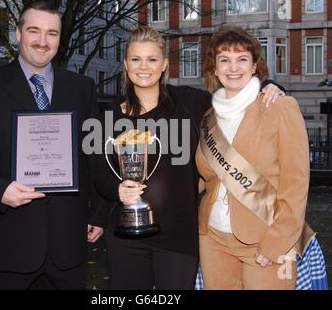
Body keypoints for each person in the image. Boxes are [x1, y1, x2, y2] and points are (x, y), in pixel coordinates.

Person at [91, 25, 285, 289]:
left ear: (164, 65)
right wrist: (117, 189)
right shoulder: (110, 116)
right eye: (136, 59)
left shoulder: (189, 102)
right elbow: (100, 172)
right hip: (125, 236)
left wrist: (269, 86)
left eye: (152, 59)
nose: (143, 67)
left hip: (179, 238)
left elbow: (234, 95)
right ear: (126, 64)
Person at [0, 1, 104, 290]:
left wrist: (98, 212)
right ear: (18, 34)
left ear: (60, 39)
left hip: (69, 241)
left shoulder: (82, 88)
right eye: (34, 31)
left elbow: (92, 153)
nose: (43, 41)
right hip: (8, 240)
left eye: (52, 33)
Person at [195, 25, 323, 289]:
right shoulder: (209, 117)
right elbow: (205, 178)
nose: (233, 68)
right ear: (215, 69)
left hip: (264, 238)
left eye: (242, 59)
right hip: (214, 238)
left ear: (255, 67)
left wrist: (278, 241)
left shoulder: (278, 107)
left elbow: (296, 182)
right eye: (224, 60)